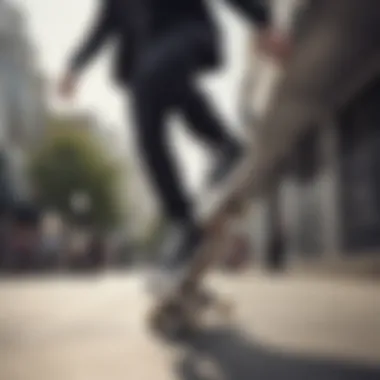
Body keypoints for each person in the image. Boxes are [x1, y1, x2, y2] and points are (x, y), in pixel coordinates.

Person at [58, 0, 289, 290]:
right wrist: (74, 67)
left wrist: (262, 23)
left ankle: (224, 145)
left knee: (158, 71)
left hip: (188, 32)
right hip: (146, 66)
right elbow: (99, 32)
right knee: (146, 131)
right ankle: (183, 221)